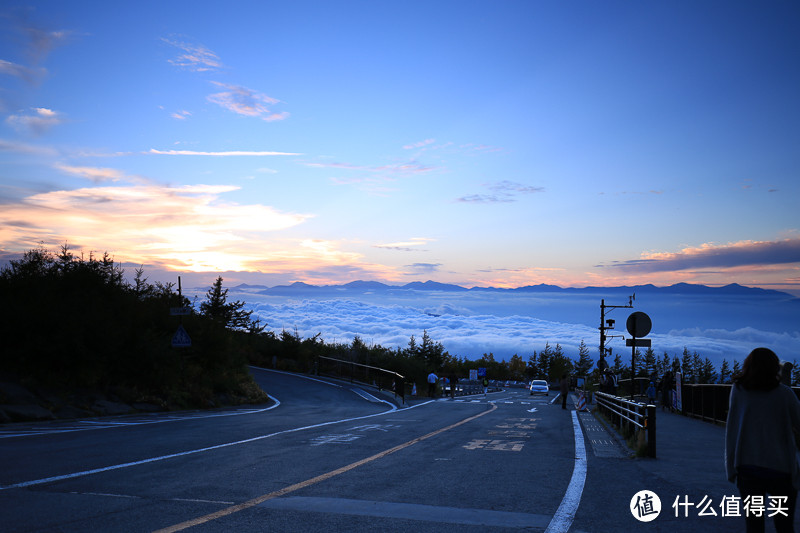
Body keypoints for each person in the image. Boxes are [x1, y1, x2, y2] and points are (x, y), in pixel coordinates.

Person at [725, 347, 800, 533]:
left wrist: (731, 466)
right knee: (784, 525)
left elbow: (732, 428)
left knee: (754, 525)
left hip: (747, 468)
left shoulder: (739, 391)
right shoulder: (785, 394)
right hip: (780, 470)